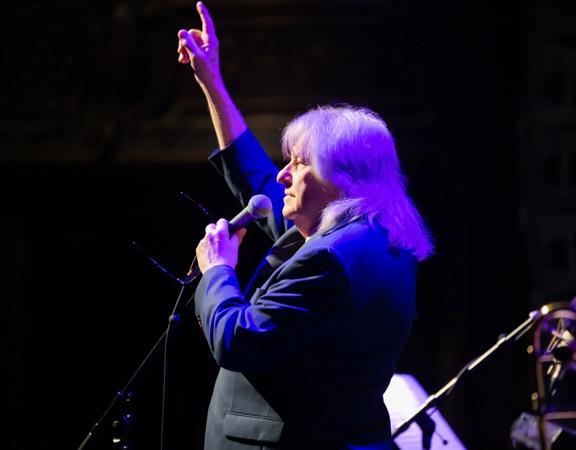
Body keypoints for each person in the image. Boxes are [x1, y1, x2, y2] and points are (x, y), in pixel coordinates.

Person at [177, 2, 434, 449]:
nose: (283, 175)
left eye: (299, 163)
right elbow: (257, 178)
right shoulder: (372, 237)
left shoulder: (330, 259)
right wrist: (212, 82)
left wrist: (218, 269)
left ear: (342, 176)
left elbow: (238, 341)